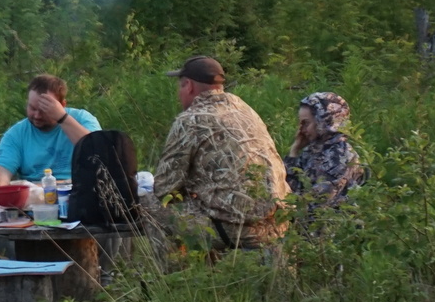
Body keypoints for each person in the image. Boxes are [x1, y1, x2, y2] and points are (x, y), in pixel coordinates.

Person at [151, 54, 289, 252]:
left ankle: (173, 279)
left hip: (235, 228)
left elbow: (165, 188)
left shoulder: (191, 120)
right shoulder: (245, 109)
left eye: (180, 87)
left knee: (148, 205)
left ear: (188, 86)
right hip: (277, 223)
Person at [0, 74, 101, 182]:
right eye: (32, 108)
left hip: (80, 190)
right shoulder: (16, 134)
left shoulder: (82, 119)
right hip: (35, 193)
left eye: (44, 110)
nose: (37, 115)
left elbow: (99, 152)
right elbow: (1, 174)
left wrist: (62, 118)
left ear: (62, 105)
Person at [284, 91, 366, 207]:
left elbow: (316, 206)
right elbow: (286, 189)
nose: (301, 129)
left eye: (306, 123)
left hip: (333, 224)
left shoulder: (340, 156)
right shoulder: (312, 151)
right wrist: (294, 151)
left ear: (322, 122)